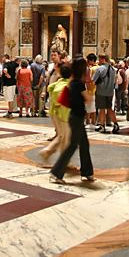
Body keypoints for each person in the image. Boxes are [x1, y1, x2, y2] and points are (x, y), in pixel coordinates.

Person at [50, 57, 95, 186]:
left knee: (84, 144)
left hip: (74, 116)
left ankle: (87, 172)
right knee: (72, 146)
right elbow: (89, 99)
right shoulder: (78, 84)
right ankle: (57, 172)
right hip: (76, 118)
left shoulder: (71, 82)